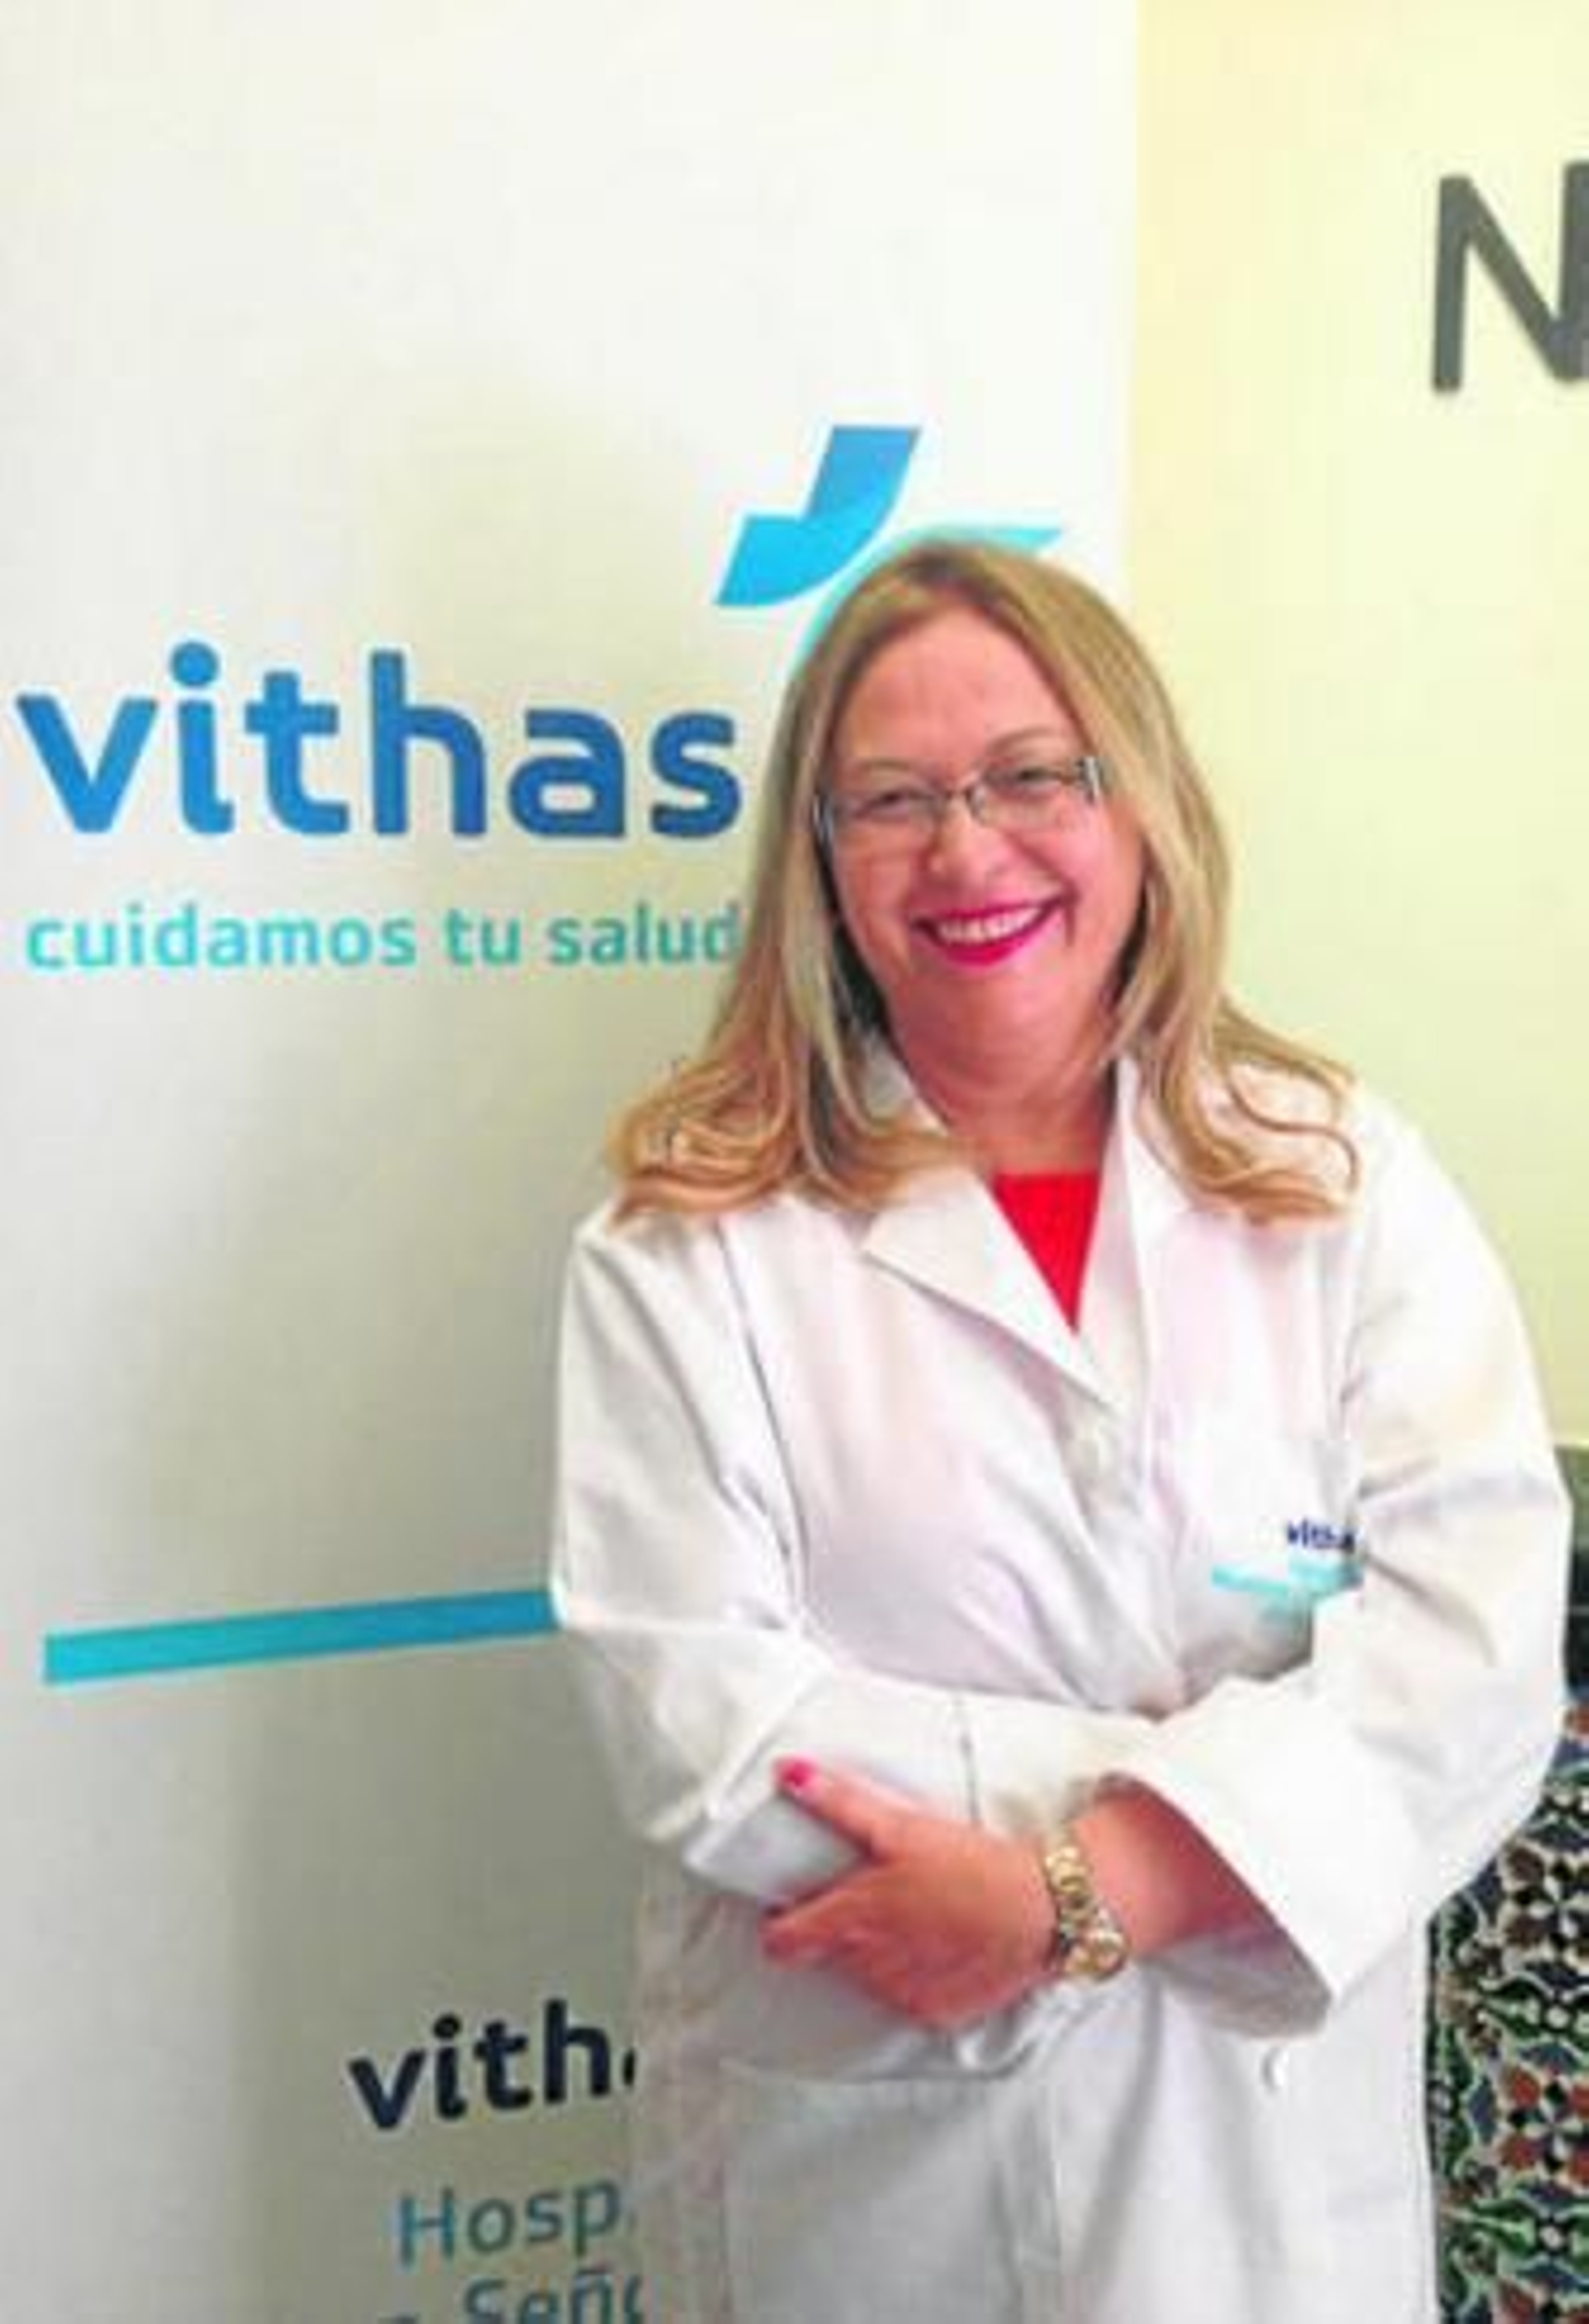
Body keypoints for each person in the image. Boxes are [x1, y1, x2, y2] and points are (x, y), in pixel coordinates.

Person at [549, 539, 1568, 2323]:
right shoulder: (688, 1239)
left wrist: (1095, 1885)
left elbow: (1474, 1654)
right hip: (890, 2181)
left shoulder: (1341, 1177)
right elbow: (695, 1709)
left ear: (1140, 805)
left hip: (1267, 2181)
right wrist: (1253, 1796)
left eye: (1034, 775)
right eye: (893, 800)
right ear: (819, 863)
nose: (968, 851)